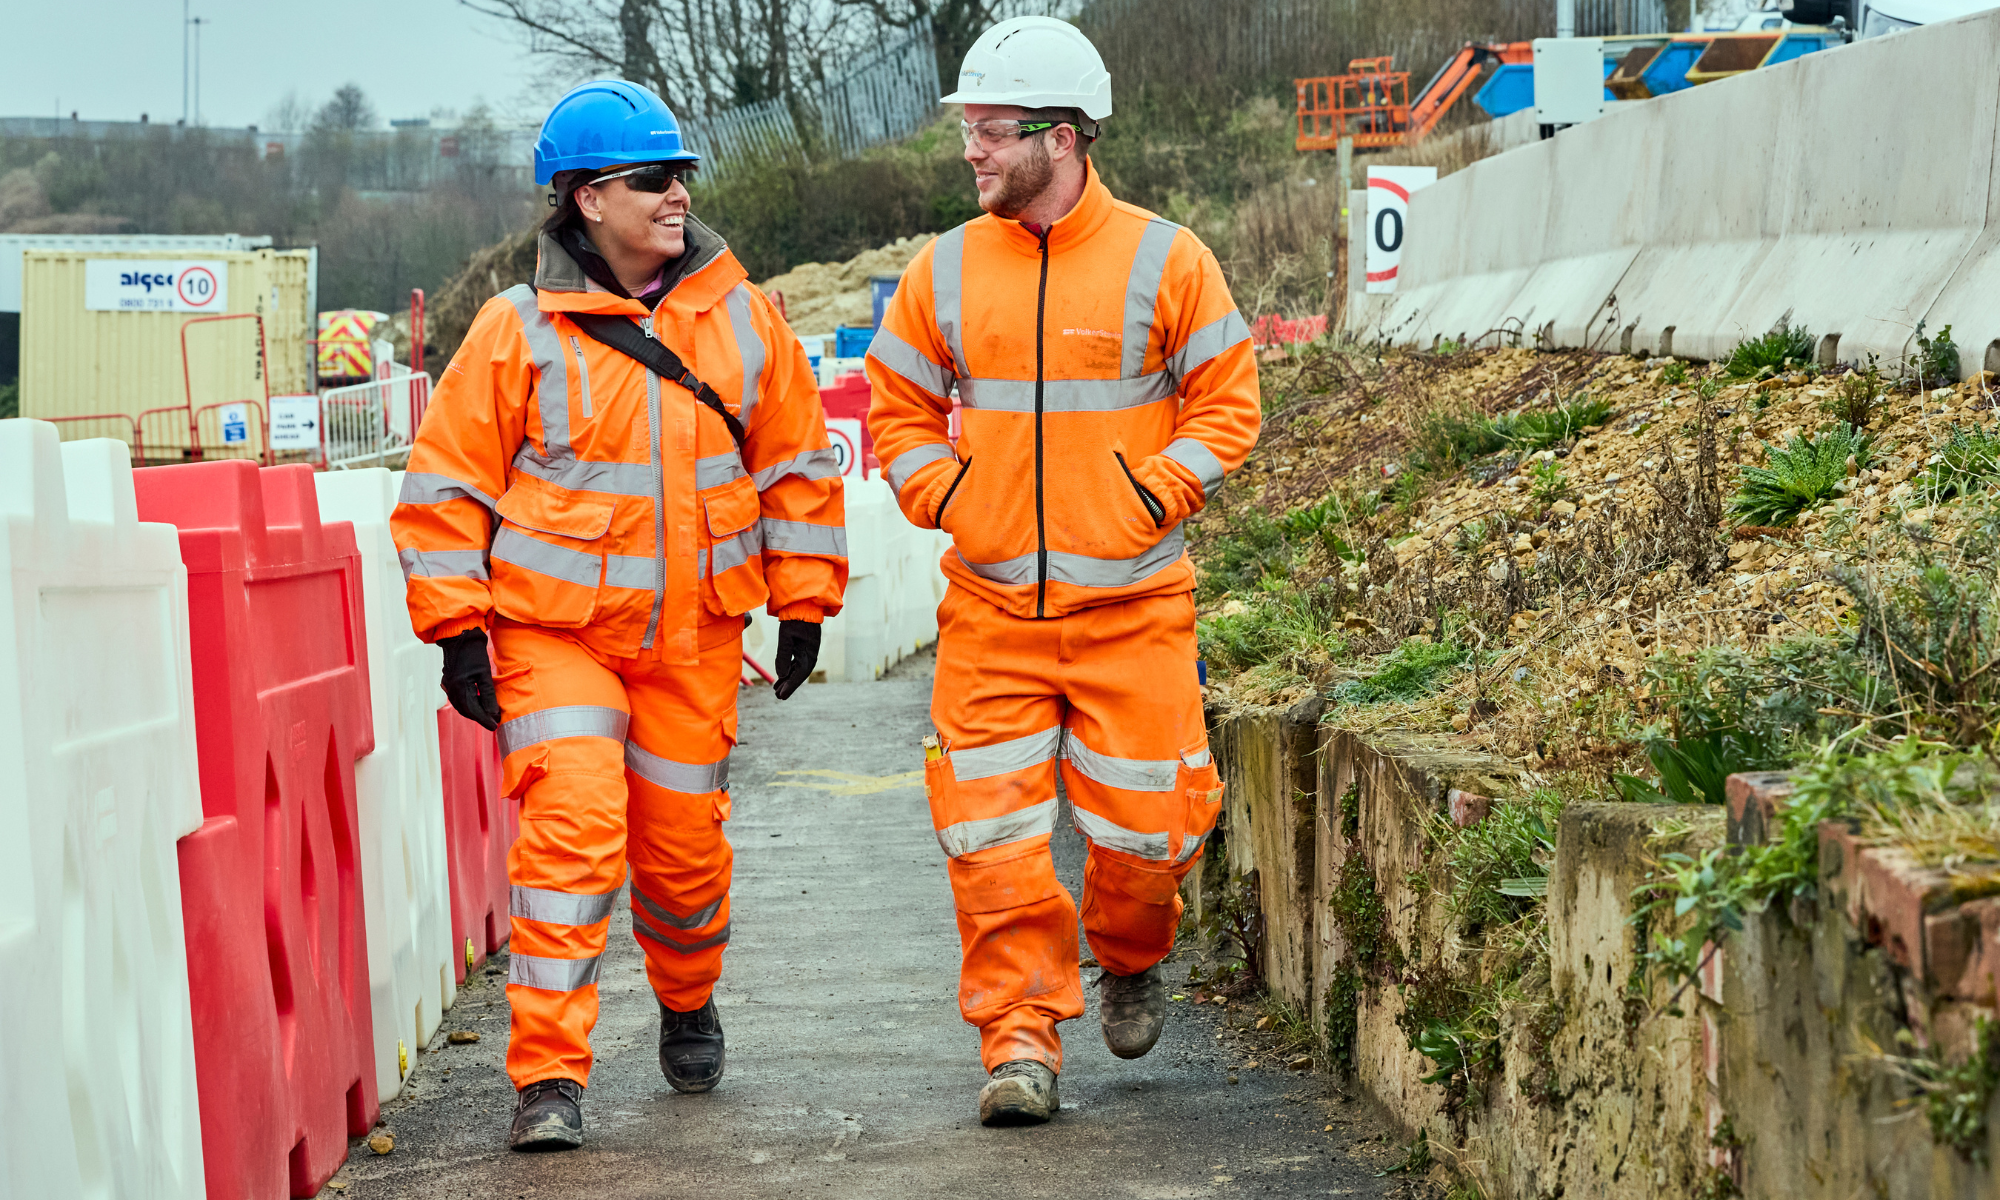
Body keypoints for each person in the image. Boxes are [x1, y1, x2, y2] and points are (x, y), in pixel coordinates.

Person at [392, 79, 847, 1151]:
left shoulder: (744, 316)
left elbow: (796, 463)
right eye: (651, 179)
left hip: (695, 640)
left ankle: (687, 997)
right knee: (573, 834)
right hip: (555, 641)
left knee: (685, 858)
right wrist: (459, 629)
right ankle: (547, 1079)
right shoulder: (517, 332)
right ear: (588, 200)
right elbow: (445, 486)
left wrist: (804, 601)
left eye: (681, 174)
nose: (676, 194)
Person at [865, 17, 1261, 1126]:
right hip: (989, 612)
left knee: (1147, 840)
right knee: (988, 844)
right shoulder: (941, 270)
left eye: (991, 129)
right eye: (969, 130)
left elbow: (1227, 401)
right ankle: (1018, 1044)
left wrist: (1156, 490)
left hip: (1132, 608)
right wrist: (945, 494)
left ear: (1062, 136)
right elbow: (895, 410)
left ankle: (1129, 955)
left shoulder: (1164, 258)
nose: (971, 151)